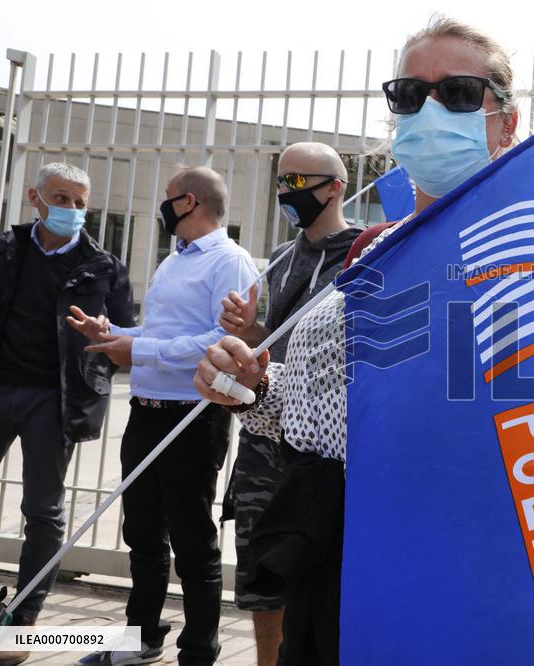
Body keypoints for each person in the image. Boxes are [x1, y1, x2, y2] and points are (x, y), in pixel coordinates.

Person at [194, 18, 518, 666]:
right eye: (409, 95)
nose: (430, 112)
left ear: (505, 123)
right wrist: (255, 386)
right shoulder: (371, 252)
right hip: (345, 566)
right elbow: (316, 421)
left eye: (458, 93)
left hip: (479, 574)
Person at [71, 167, 259, 666]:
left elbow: (222, 342)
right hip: (146, 411)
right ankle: (141, 638)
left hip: (193, 416)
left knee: (193, 540)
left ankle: (198, 651)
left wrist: (138, 350)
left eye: (168, 196)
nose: (163, 205)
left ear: (189, 202)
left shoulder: (229, 261)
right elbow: (162, 332)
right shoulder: (175, 259)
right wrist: (115, 334)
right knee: (142, 533)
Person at [0, 162, 134, 666]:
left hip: (55, 401)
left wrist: (102, 342)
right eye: (61, 198)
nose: (71, 209)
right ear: (35, 198)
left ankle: (24, 622)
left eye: (79, 202)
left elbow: (123, 340)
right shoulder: (0, 251)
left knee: (43, 512)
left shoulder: (103, 266)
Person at [218, 142, 361, 666]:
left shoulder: (364, 254)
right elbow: (272, 345)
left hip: (321, 444)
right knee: (262, 566)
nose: (286, 192)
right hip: (263, 430)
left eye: (298, 182)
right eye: (281, 180)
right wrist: (248, 331)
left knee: (316, 569)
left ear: (335, 187)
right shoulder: (280, 258)